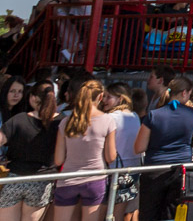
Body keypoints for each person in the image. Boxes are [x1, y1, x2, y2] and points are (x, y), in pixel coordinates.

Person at [134, 77, 193, 221]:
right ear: (184, 93)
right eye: (189, 94)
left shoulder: (153, 115)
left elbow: (139, 147)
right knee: (173, 215)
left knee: (149, 215)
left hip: (154, 171)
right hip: (181, 171)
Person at [52, 79, 117, 219]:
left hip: (68, 179)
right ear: (100, 97)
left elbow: (58, 160)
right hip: (95, 179)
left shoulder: (66, 122)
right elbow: (110, 157)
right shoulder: (108, 121)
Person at [0, 81, 60, 221]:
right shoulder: (61, 122)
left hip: (15, 178)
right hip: (42, 181)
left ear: (33, 98)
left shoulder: (19, 119)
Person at [101, 84, 142, 221]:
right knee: (119, 214)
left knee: (104, 212)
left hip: (114, 170)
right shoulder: (135, 116)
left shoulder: (110, 117)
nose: (104, 100)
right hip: (133, 169)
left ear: (120, 99)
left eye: (108, 97)